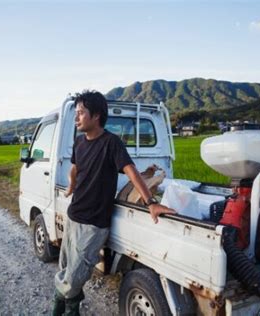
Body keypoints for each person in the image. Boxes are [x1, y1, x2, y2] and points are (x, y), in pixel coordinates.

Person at [52, 90, 176, 315]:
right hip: (74, 215)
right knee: (65, 268)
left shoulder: (111, 143)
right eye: (76, 113)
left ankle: (62, 308)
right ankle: (66, 308)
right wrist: (71, 186)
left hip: (94, 223)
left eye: (81, 113)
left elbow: (131, 172)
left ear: (96, 116)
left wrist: (150, 202)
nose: (77, 118)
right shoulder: (80, 142)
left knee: (75, 275)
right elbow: (74, 167)